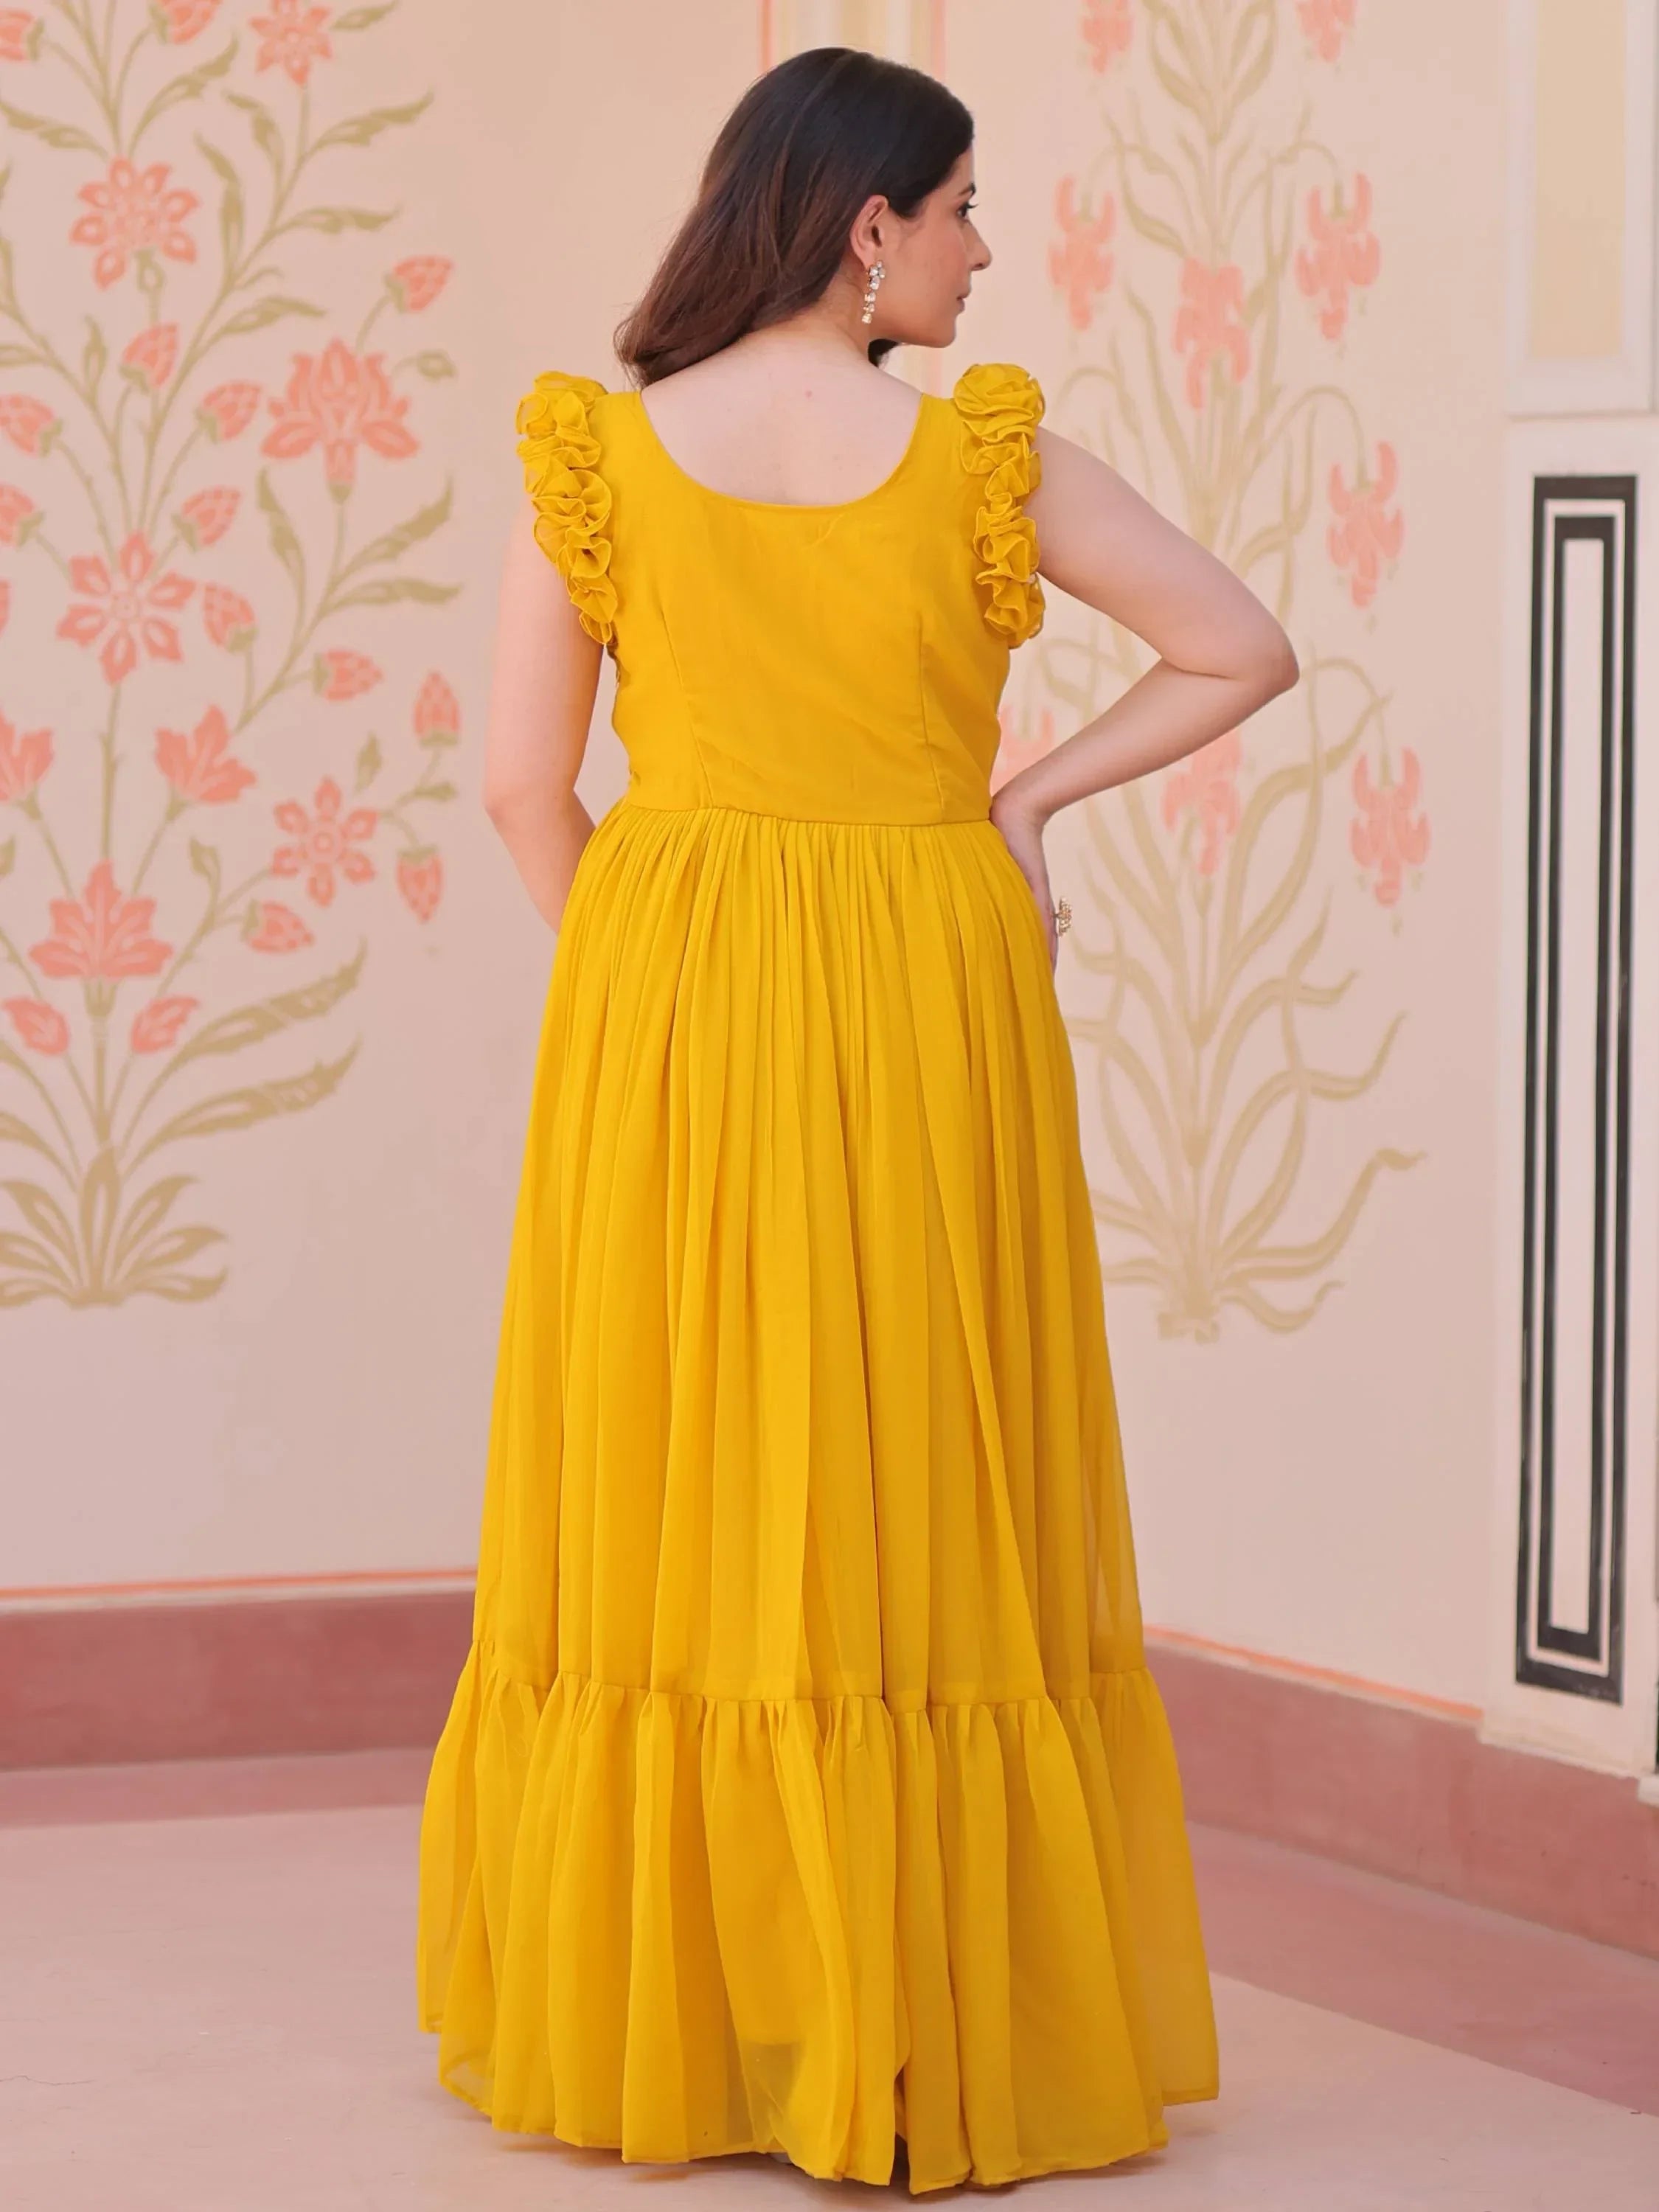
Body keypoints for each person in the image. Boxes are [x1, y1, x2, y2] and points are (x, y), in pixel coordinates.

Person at [416, 44, 1297, 2197]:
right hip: (929, 971)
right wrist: (1011, 803)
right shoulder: (981, 459)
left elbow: (525, 783)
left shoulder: (600, 455)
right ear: (862, 225)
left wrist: (631, 963)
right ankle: (912, 2013)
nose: (987, 251)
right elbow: (1237, 647)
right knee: (917, 1461)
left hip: (674, 962)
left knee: (687, 1465)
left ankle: (693, 2008)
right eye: (965, 207)